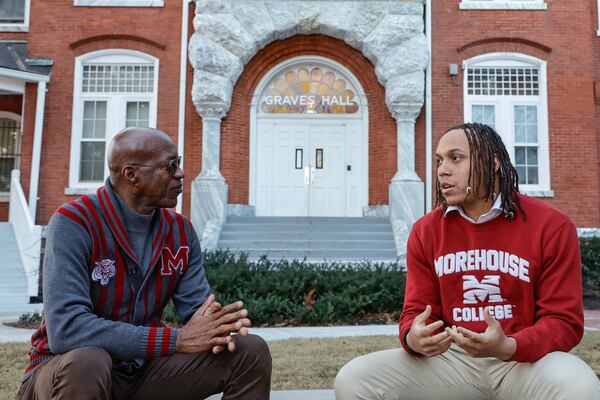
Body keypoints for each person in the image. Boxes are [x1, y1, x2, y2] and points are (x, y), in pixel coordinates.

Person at [335, 123, 600, 399]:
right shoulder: (427, 231)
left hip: (525, 362)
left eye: (455, 158)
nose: (442, 170)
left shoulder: (551, 226)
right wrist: (413, 338)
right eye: (439, 160)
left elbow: (563, 321)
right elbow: (416, 312)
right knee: (353, 379)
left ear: (492, 162)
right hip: (453, 361)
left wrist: (509, 345)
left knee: (579, 385)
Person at [17, 127, 272, 400]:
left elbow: (197, 314)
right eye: (170, 165)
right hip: (63, 372)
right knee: (89, 360)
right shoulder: (74, 222)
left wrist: (219, 328)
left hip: (141, 372)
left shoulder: (180, 231)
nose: (180, 173)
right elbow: (67, 330)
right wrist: (176, 340)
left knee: (249, 350)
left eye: (179, 162)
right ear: (132, 175)